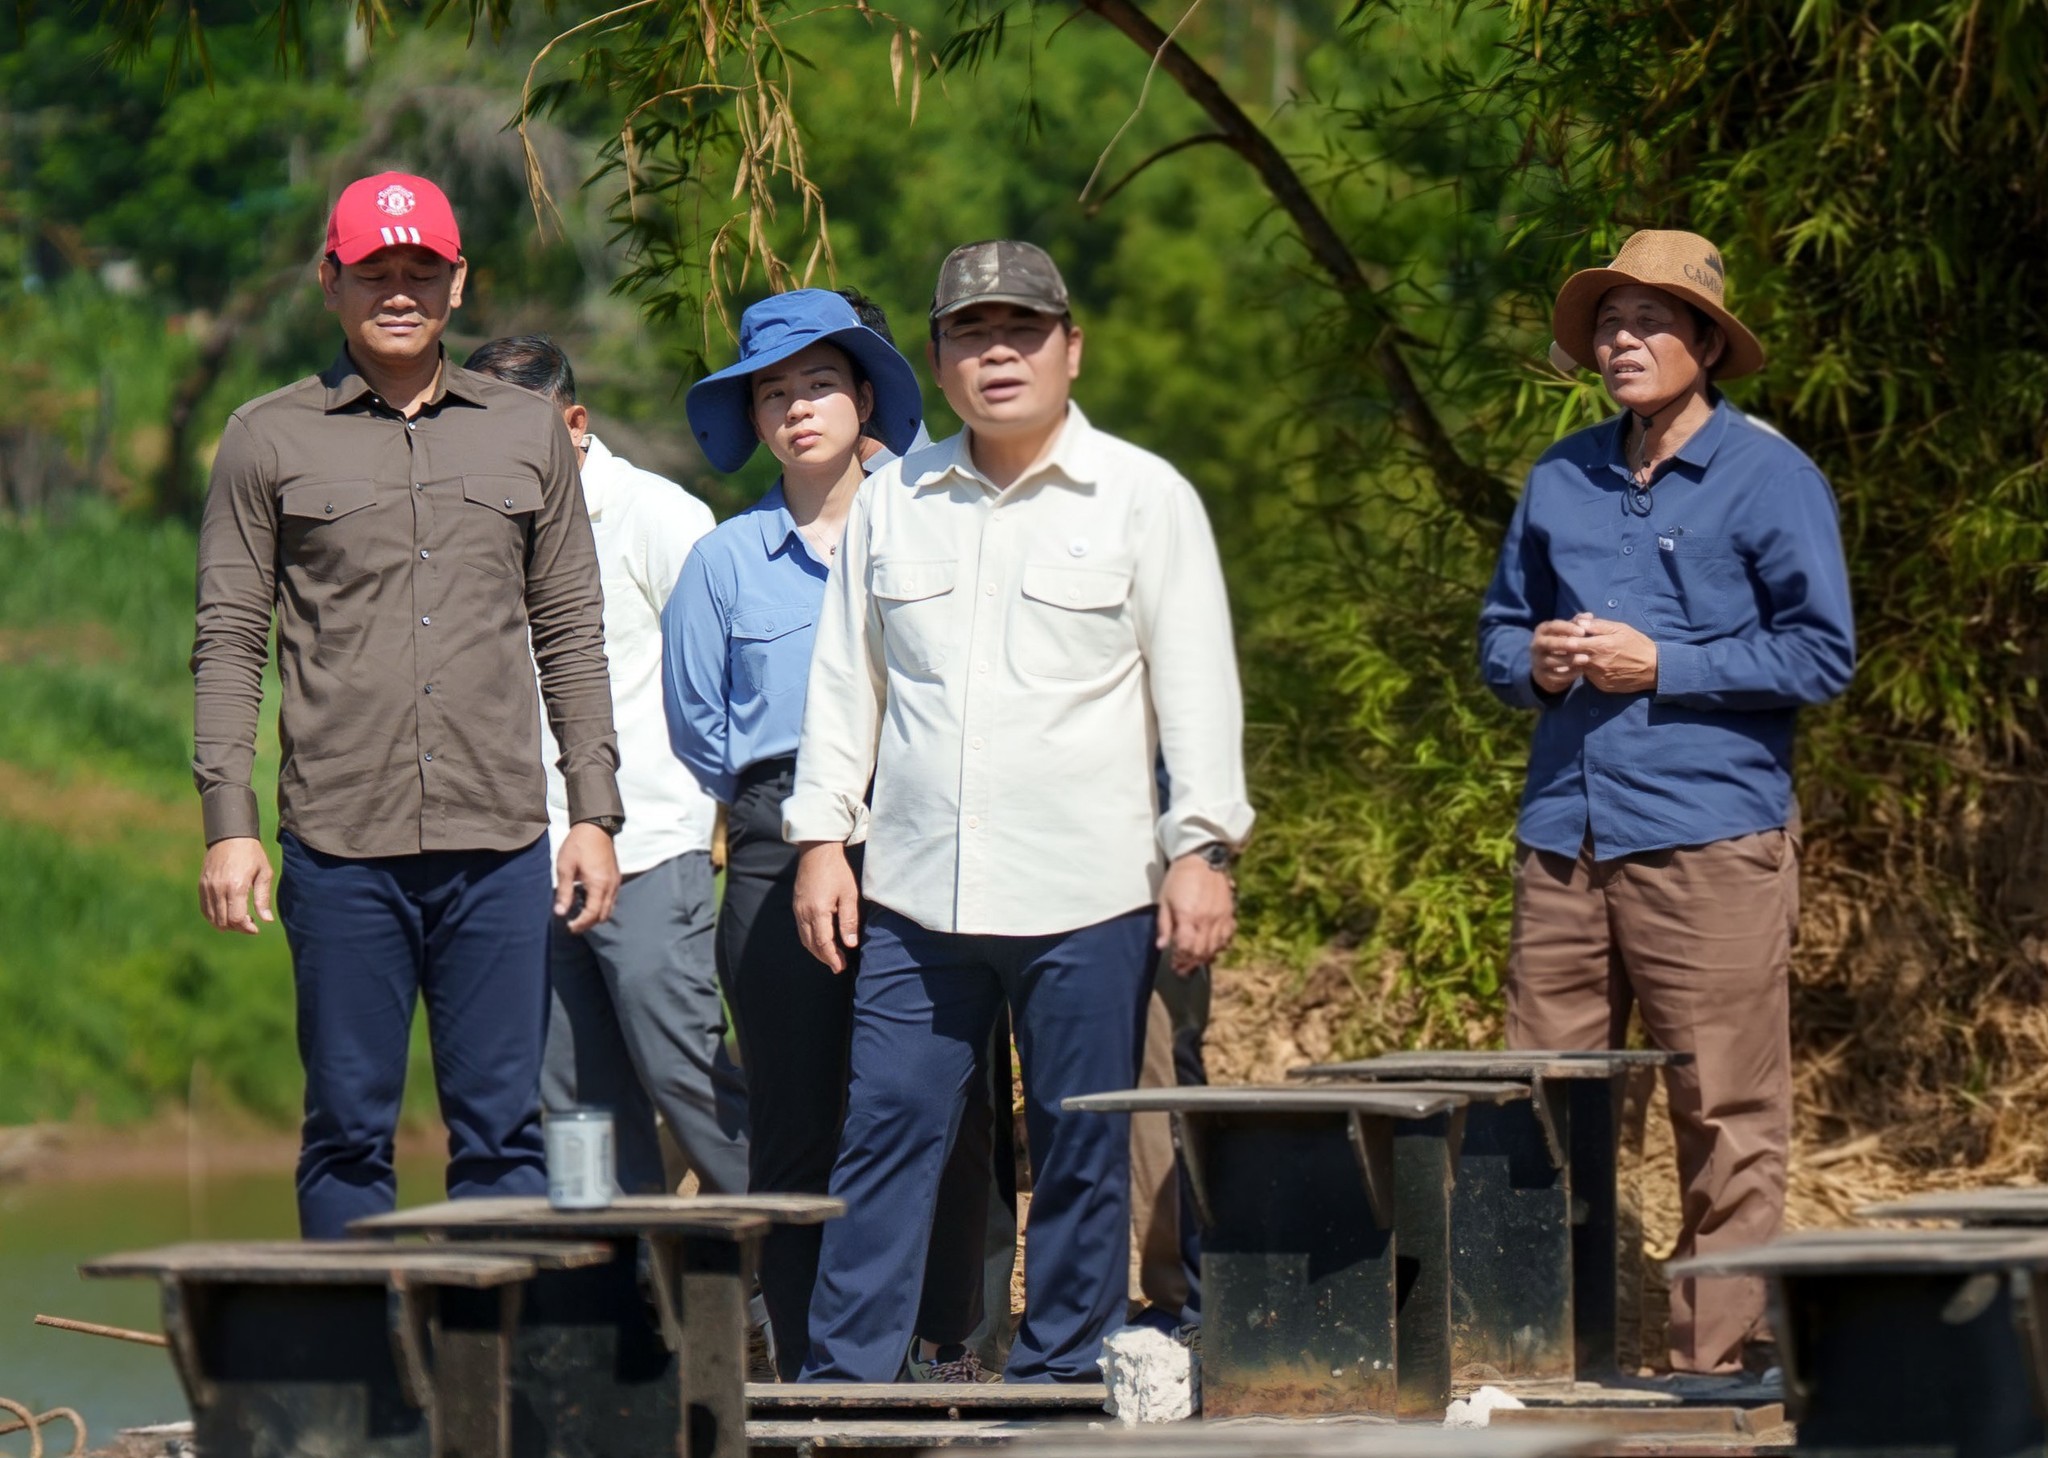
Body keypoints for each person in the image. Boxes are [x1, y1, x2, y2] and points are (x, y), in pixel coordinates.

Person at [785, 240, 1255, 1382]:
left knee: (1082, 1143)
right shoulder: (894, 502)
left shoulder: (1143, 497)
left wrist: (1200, 849)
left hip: (1088, 893)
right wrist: (820, 838)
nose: (997, 354)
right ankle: (845, 1389)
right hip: (913, 892)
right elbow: (847, 683)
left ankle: (1056, 1379)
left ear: (1070, 349)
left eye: (1022, 331)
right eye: (970, 333)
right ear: (937, 359)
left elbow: (1197, 688)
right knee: (885, 1130)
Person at [191, 173, 624, 1238]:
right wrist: (229, 824)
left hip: (499, 840)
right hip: (341, 844)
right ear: (329, 282)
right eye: (374, 271)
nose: (399, 291)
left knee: (504, 1133)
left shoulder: (524, 433)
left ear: (457, 282)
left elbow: (571, 629)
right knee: (346, 1129)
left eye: (420, 271)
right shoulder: (265, 437)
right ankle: (357, 1350)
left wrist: (593, 812)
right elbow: (229, 637)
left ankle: (491, 1346)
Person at [1476, 229, 1855, 1375]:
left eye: (1648, 322)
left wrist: (1666, 665)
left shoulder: (1771, 478)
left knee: (1723, 1111)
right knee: (1537, 1106)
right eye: (1607, 323)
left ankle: (1715, 1372)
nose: (1621, 341)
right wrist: (1535, 661)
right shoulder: (1559, 475)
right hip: (1563, 839)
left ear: (1705, 344)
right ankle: (1542, 1363)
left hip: (1709, 839)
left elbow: (1819, 655)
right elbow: (1497, 635)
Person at [662, 287, 996, 1381]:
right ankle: (816, 1368)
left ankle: (945, 1345)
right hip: (775, 845)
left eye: (818, 385)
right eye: (773, 394)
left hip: (926, 831)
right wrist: (793, 812)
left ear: (865, 397)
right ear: (753, 419)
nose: (797, 409)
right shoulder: (723, 560)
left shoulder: (939, 522)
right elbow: (699, 726)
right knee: (795, 1117)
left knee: (938, 1104)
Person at [464, 334, 748, 1198]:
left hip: (650, 843)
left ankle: (792, 1255)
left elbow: (726, 676)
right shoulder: (469, 531)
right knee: (575, 1101)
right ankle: (616, 1274)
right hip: (524, 854)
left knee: (685, 1070)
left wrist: (720, 820)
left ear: (576, 423)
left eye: (522, 426)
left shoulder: (659, 516)